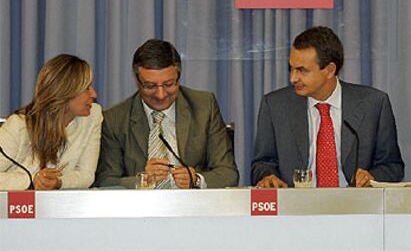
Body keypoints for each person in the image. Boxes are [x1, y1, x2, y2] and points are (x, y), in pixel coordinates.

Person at [251, 26, 404, 188]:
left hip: (356, 207)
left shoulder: (373, 104)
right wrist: (268, 177)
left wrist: (371, 177)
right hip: (296, 208)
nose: (293, 78)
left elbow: (392, 167)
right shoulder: (275, 105)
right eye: (292, 69)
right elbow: (261, 164)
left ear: (330, 70)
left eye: (302, 70)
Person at [95, 39, 239, 189]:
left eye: (168, 84)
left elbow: (228, 173)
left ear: (178, 78)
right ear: (137, 82)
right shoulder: (115, 119)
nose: (160, 94)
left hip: (194, 207)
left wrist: (195, 180)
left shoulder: (204, 107)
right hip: (139, 210)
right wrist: (143, 180)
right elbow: (106, 182)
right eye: (150, 86)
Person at [0, 54, 103, 190]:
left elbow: (86, 175)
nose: (94, 94)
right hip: (16, 208)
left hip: (61, 206)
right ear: (64, 92)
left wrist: (59, 183)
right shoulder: (18, 125)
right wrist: (31, 181)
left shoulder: (93, 116)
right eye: (86, 88)